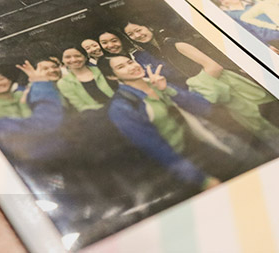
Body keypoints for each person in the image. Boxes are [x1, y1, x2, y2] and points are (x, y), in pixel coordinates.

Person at [123, 19, 279, 150]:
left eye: (138, 30)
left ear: (148, 27)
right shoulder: (157, 51)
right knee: (259, 127)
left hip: (228, 84)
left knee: (273, 118)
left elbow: (213, 66)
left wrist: (196, 86)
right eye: (132, 35)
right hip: (217, 89)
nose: (137, 35)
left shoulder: (173, 43)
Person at [101, 54, 238, 190]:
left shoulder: (156, 82)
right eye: (121, 67)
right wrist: (201, 180)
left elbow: (203, 108)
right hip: (187, 161)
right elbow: (155, 147)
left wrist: (166, 88)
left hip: (210, 141)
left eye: (130, 62)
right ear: (112, 76)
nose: (131, 67)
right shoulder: (121, 107)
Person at [56, 46, 115, 112]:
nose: (73, 60)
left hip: (121, 105)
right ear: (62, 60)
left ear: (85, 57)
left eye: (77, 56)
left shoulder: (102, 70)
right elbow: (81, 106)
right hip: (97, 115)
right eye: (67, 57)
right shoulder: (64, 83)